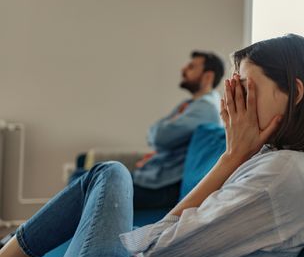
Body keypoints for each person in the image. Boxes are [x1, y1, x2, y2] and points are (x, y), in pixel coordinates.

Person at [0, 34, 304, 257]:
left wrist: (230, 159)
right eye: (234, 91)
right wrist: (237, 155)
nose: (236, 104)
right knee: (107, 174)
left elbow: (157, 253)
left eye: (246, 90)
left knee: (108, 174)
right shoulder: (281, 159)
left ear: (294, 92)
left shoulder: (278, 177)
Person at [70, 51, 224, 209]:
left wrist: (163, 136)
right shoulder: (191, 104)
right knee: (82, 175)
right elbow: (153, 136)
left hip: (161, 186)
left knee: (81, 179)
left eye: (191, 67)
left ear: (208, 77)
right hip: (153, 177)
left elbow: (158, 136)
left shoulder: (205, 108)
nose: (183, 69)